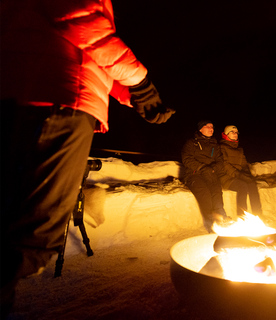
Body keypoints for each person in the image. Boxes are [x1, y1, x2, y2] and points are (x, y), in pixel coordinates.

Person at [0, 0, 175, 315]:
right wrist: (140, 82)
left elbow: (82, 47)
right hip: (56, 101)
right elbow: (80, 21)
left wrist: (132, 94)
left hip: (36, 91)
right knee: (33, 234)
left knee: (16, 226)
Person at [181, 121, 230, 232]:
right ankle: (211, 224)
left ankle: (222, 218)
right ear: (200, 129)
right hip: (194, 174)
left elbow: (220, 161)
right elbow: (187, 159)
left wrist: (213, 169)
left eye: (212, 126)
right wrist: (202, 168)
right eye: (207, 126)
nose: (210, 128)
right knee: (205, 193)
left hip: (210, 173)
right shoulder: (191, 143)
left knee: (217, 191)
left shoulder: (215, 144)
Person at [219, 125, 263, 217]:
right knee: (242, 186)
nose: (235, 134)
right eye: (232, 132)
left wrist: (247, 175)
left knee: (252, 184)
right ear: (226, 134)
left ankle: (258, 214)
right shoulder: (221, 147)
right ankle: (241, 216)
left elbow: (244, 165)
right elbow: (224, 165)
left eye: (236, 133)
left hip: (238, 175)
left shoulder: (239, 149)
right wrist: (238, 175)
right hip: (226, 177)